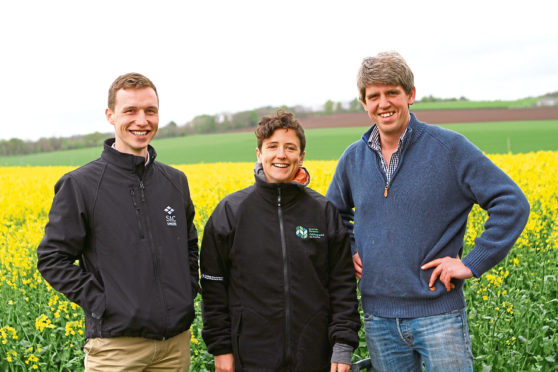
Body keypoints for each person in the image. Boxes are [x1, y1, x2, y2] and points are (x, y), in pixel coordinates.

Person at [326, 51, 530, 371]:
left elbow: (512, 203)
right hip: (379, 319)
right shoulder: (353, 158)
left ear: (410, 94)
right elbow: (333, 216)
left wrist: (470, 263)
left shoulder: (449, 148)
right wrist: (349, 248)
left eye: (392, 92)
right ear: (365, 104)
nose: (384, 103)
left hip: (440, 317)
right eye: (374, 96)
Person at [37, 73, 199, 371]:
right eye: (130, 111)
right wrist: (105, 303)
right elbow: (51, 259)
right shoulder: (81, 184)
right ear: (110, 116)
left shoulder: (174, 181)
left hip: (175, 346)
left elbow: (188, 246)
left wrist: (187, 291)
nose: (142, 120)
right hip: (115, 349)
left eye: (150, 111)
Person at [200, 110, 360, 372]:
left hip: (315, 355)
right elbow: (213, 289)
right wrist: (221, 349)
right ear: (259, 154)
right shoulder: (231, 212)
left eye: (290, 148)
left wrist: (342, 345)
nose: (281, 155)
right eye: (272, 146)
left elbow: (342, 284)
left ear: (301, 156)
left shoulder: (322, 211)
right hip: (250, 357)